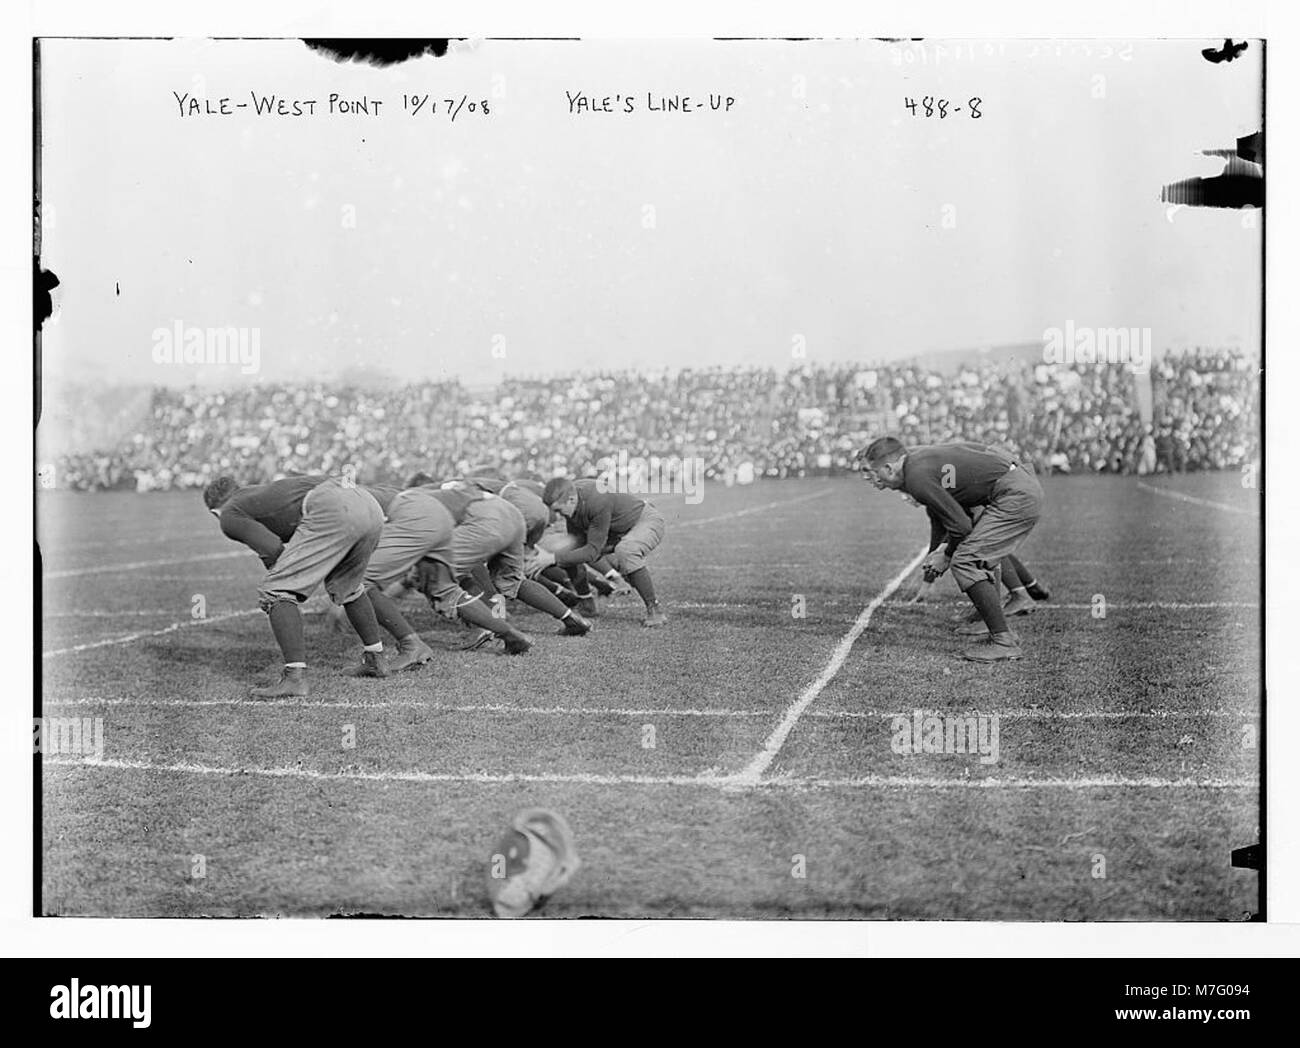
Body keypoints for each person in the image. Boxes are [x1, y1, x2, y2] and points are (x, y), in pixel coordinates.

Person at [203, 473, 391, 696]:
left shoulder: (228, 513)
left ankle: (294, 678)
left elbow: (272, 548)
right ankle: (375, 658)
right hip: (366, 502)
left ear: (215, 512)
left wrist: (286, 580)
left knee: (275, 590)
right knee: (348, 585)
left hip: (333, 506)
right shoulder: (255, 493)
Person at [857, 438, 1043, 662]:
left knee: (965, 560)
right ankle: (990, 620)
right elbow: (949, 519)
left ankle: (1004, 641)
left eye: (870, 471)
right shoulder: (916, 461)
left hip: (1014, 493)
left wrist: (945, 556)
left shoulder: (917, 477)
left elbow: (960, 526)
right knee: (979, 552)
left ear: (888, 467)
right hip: (1015, 482)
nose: (869, 479)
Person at [537, 477, 667, 627]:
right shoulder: (573, 499)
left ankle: (654, 609)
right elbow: (579, 548)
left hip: (643, 520)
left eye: (559, 510)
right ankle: (587, 602)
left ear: (572, 500)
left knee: (626, 550)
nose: (558, 516)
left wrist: (551, 558)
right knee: (570, 550)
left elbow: (592, 551)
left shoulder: (595, 500)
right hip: (615, 529)